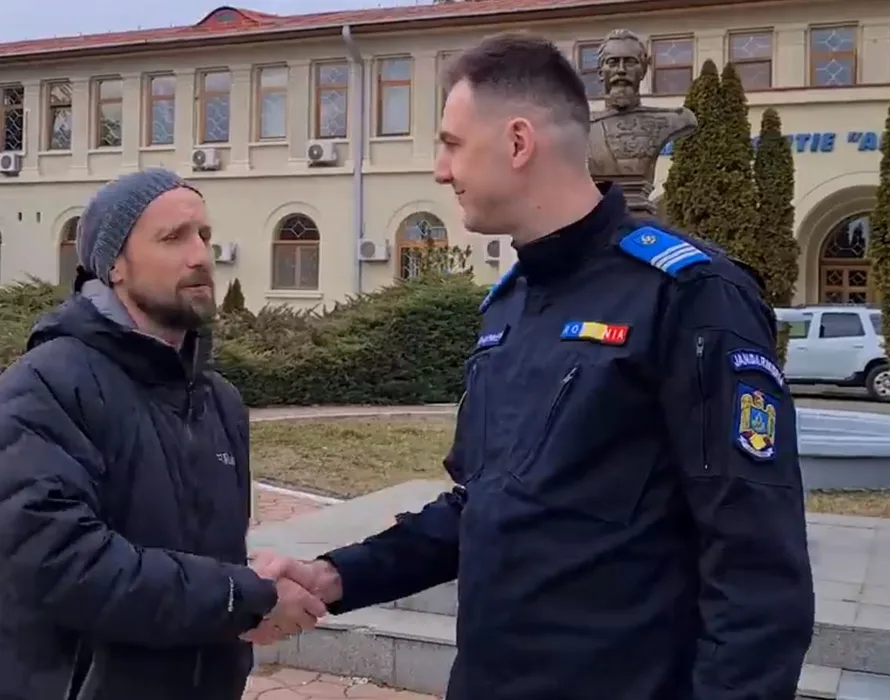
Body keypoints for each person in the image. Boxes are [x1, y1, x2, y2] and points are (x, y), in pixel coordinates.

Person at [250, 34, 815, 700]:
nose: (440, 170)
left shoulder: (688, 296)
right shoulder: (509, 305)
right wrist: (334, 577)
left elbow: (756, 573)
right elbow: (481, 505)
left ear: (518, 142)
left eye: (452, 144)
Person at [0, 167, 327, 700]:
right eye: (173, 237)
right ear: (113, 264)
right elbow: (61, 563)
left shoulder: (218, 401)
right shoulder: (46, 387)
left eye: (204, 234)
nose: (200, 255)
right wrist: (241, 596)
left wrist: (248, 595)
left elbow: (207, 555)